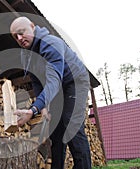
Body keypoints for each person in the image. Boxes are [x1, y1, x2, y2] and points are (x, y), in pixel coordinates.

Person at [10, 16, 92, 169]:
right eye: (16, 36)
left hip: (74, 81)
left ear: (32, 26)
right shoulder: (26, 54)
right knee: (56, 131)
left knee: (71, 124)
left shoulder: (50, 44)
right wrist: (43, 107)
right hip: (57, 88)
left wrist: (33, 109)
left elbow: (54, 80)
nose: (20, 38)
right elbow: (36, 81)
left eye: (22, 32)